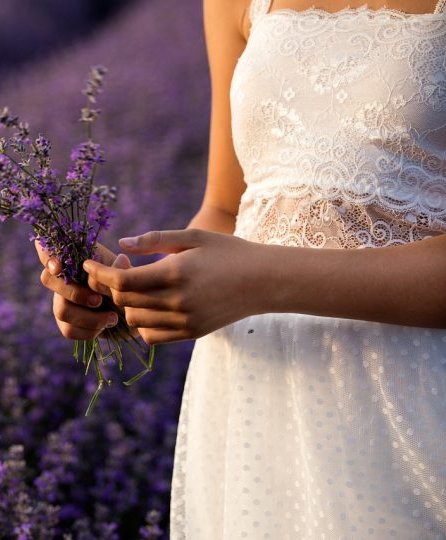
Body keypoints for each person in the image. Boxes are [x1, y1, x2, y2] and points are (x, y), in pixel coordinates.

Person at [36, 0, 446, 537]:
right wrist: (137, 287)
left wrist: (257, 280)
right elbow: (227, 208)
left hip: (410, 395)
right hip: (255, 395)